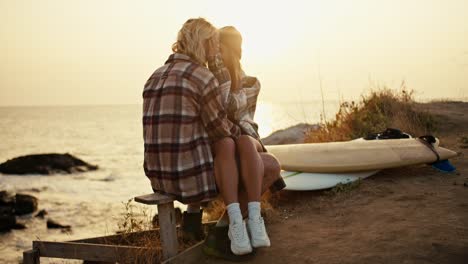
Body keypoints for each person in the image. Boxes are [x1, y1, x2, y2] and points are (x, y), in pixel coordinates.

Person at [143, 18, 285, 259]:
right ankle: (221, 234)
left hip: (158, 176)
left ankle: (194, 219)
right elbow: (220, 128)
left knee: (231, 149)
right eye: (215, 45)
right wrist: (250, 141)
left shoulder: (155, 75)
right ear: (206, 43)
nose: (217, 51)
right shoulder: (202, 77)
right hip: (188, 178)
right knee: (268, 166)